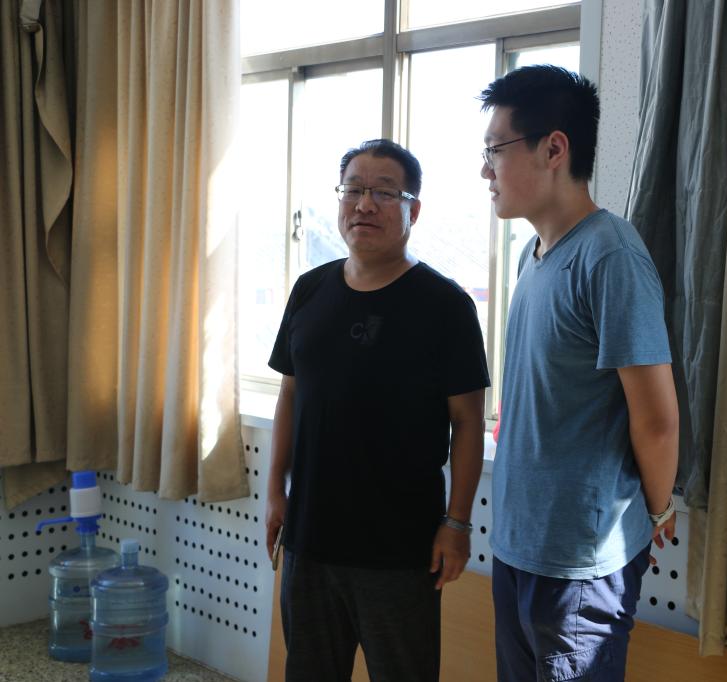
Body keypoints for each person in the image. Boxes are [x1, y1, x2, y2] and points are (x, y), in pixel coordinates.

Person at [479, 65, 680, 681]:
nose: (485, 171)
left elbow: (656, 418)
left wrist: (658, 510)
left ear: (554, 149)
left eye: (495, 150)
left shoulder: (610, 253)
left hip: (579, 565)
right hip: (518, 545)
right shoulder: (531, 255)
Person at [265, 139, 490, 682]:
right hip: (310, 538)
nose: (364, 204)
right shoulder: (309, 290)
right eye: (353, 190)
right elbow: (291, 394)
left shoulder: (445, 305)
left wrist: (457, 523)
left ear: (414, 210)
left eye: (385, 193)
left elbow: (467, 423)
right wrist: (274, 490)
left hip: (401, 550)